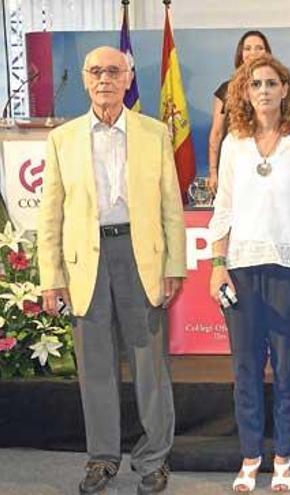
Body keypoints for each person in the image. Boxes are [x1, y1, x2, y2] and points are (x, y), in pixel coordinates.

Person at [37, 46, 185, 495]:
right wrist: (52, 277)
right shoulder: (62, 139)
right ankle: (102, 459)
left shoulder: (154, 132)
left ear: (128, 79)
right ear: (84, 79)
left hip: (140, 260)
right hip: (86, 264)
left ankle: (154, 460)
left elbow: (170, 207)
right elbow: (51, 214)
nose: (105, 79)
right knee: (95, 367)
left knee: (150, 366)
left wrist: (173, 264)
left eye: (114, 72)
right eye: (97, 71)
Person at [207, 54, 290, 493]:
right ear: (245, 91)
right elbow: (223, 206)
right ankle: (249, 456)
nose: (263, 90)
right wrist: (217, 265)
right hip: (240, 268)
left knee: (287, 367)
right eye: (255, 84)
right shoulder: (233, 144)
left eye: (271, 83)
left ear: (285, 89)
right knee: (245, 368)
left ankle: (283, 457)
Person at [207, 30, 272, 194]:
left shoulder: (276, 87)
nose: (253, 53)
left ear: (267, 53)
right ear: (240, 54)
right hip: (236, 164)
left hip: (269, 162)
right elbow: (216, 132)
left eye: (259, 48)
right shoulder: (226, 90)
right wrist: (214, 172)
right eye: (247, 48)